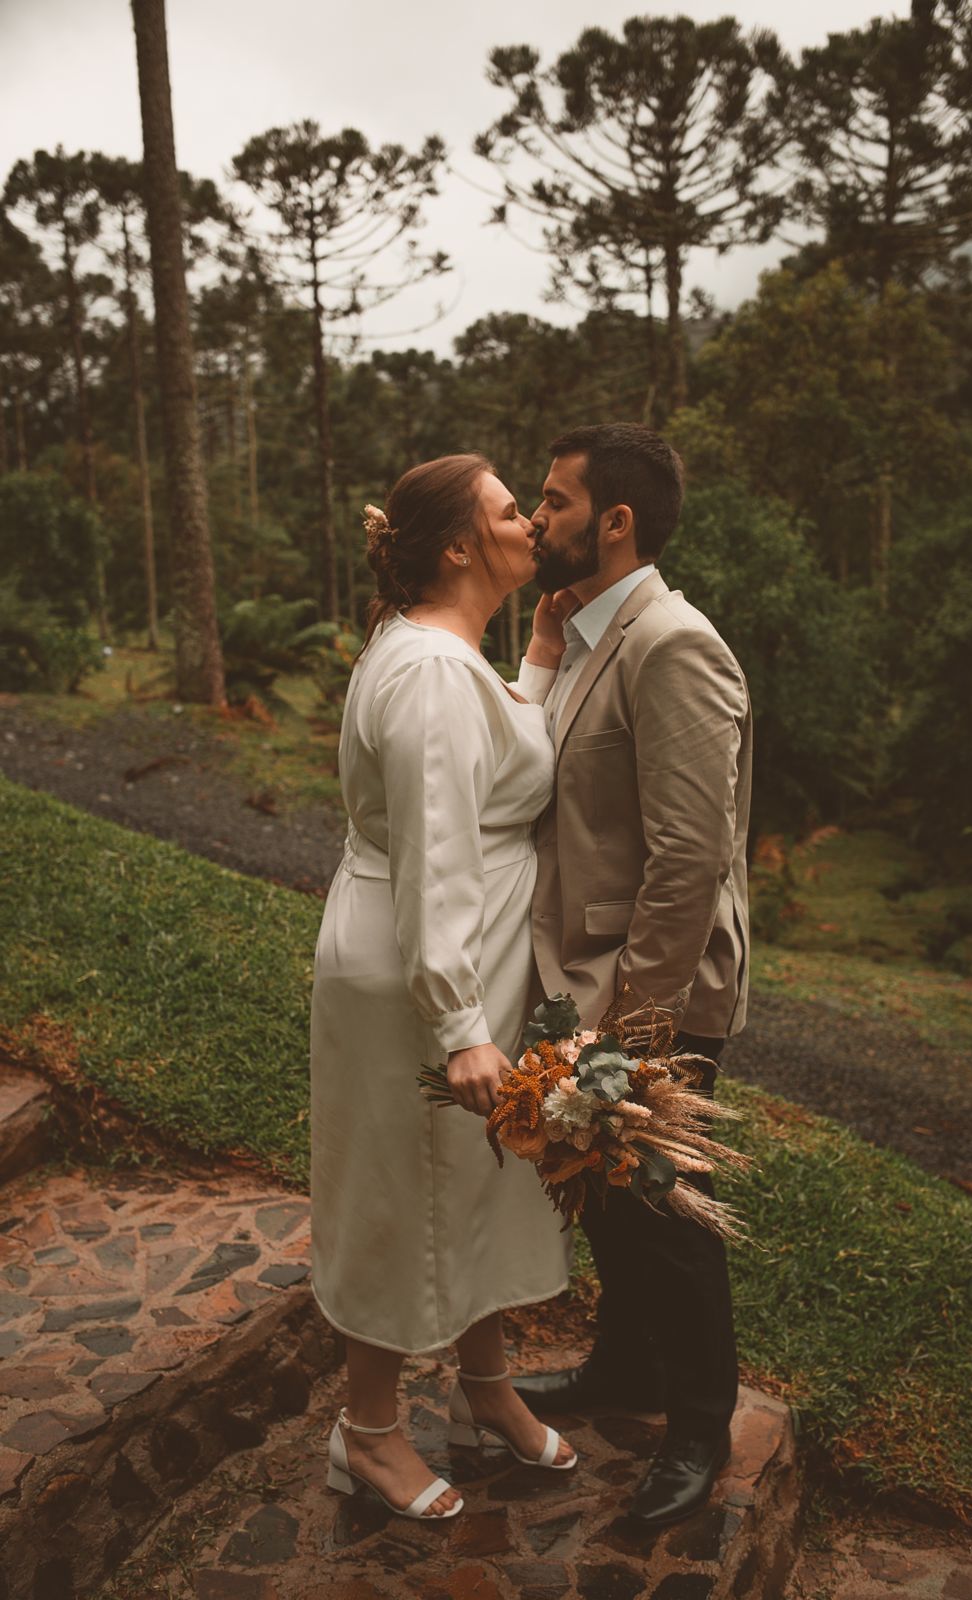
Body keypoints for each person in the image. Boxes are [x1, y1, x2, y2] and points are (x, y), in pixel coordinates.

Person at [310, 453, 577, 1523]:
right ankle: (368, 1435)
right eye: (512, 510)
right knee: (398, 1193)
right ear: (461, 546)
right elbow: (435, 847)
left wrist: (543, 662)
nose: (529, 525)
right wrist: (460, 1022)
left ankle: (483, 1392)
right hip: (421, 976)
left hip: (461, 961)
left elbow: (497, 749)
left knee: (473, 1181)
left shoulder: (448, 656)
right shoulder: (425, 669)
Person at [511, 423, 752, 1527]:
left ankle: (700, 1425)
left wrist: (633, 1036)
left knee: (665, 1209)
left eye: (553, 501)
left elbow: (689, 861)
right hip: (584, 978)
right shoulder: (589, 630)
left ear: (616, 520)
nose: (535, 516)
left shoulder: (672, 643)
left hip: (653, 991)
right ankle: (624, 1373)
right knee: (609, 1199)